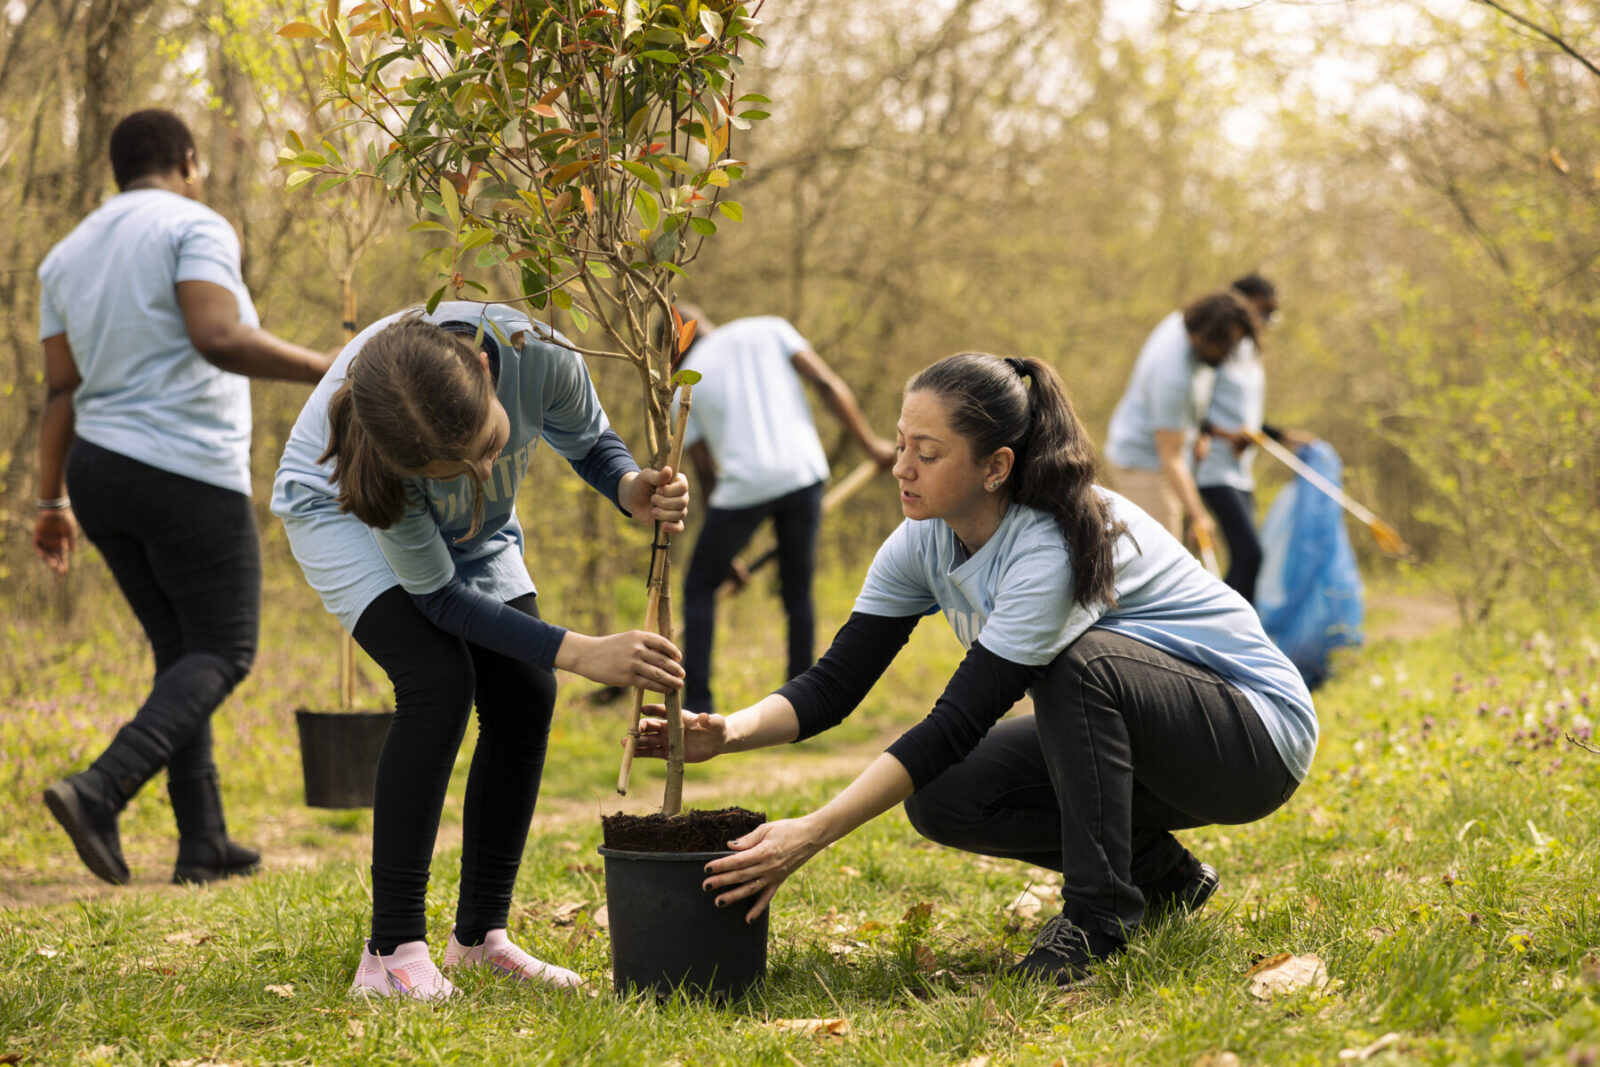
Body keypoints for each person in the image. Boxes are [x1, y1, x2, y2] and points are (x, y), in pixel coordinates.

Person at [637, 352, 1317, 987]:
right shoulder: (923, 537)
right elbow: (834, 684)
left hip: (1252, 738)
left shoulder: (1052, 541)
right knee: (946, 792)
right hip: (1159, 737)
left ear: (996, 465)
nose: (902, 466)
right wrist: (726, 731)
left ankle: (1097, 920)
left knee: (1078, 666)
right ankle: (1163, 879)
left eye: (926, 453)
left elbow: (958, 718)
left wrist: (810, 832)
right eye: (901, 444)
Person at [271, 302, 689, 1000]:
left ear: (487, 370)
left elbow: (587, 439)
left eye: (490, 449)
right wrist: (581, 650)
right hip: (340, 509)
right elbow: (438, 600)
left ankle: (479, 940)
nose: (482, 469)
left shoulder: (543, 353)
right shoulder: (380, 458)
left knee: (525, 693)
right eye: (455, 467)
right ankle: (391, 954)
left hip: (477, 528)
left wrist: (626, 485)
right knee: (437, 681)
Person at [34, 109, 335, 888]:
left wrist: (50, 501)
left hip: (99, 474)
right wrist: (328, 367)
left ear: (117, 169)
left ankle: (203, 839)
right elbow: (218, 335)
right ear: (188, 161)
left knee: (182, 652)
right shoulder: (192, 225)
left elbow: (61, 390)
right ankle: (99, 788)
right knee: (225, 647)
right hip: (186, 469)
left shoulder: (66, 256)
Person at [674, 306, 896, 713]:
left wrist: (727, 557)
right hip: (803, 474)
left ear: (674, 348)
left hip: (742, 489)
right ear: (707, 322)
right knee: (797, 587)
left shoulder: (684, 385)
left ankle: (699, 705)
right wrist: (871, 445)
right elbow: (826, 383)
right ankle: (804, 701)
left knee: (700, 588)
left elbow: (706, 475)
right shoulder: (770, 328)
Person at [1103, 291, 1259, 542]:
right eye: (1225, 344)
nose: (1229, 352)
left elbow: (1186, 414)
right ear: (1204, 336)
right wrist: (1199, 516)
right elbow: (1170, 457)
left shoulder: (1185, 324)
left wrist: (1210, 433)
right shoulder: (1172, 377)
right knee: (1162, 561)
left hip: (1165, 456)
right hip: (1144, 467)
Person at [1194, 274, 1311, 603]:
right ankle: (1224, 633)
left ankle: (1227, 631)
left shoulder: (1251, 354)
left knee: (1248, 559)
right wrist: (1221, 434)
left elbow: (1247, 417)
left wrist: (1283, 436)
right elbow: (1190, 409)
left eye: (1272, 314)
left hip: (1240, 469)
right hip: (1211, 467)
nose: (1266, 321)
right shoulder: (1215, 349)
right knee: (1251, 555)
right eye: (1263, 311)